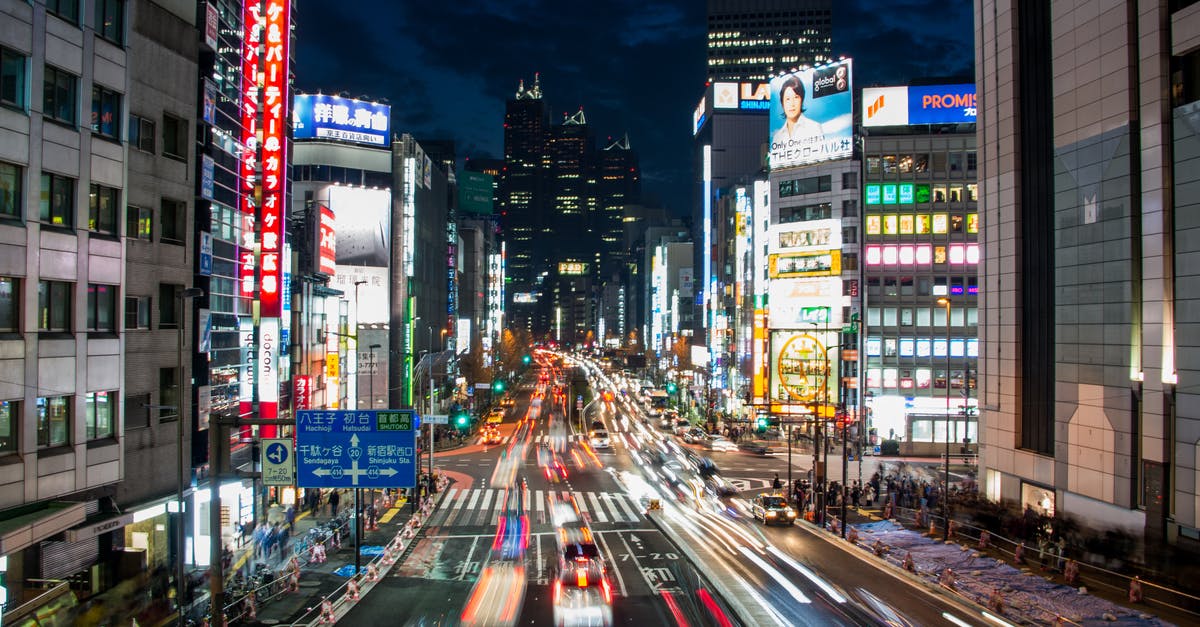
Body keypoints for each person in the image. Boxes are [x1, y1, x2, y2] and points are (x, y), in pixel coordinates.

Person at [771, 75, 824, 151]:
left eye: (796, 97)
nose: (792, 104)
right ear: (782, 103)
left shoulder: (814, 127)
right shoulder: (777, 137)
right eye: (788, 99)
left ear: (801, 100)